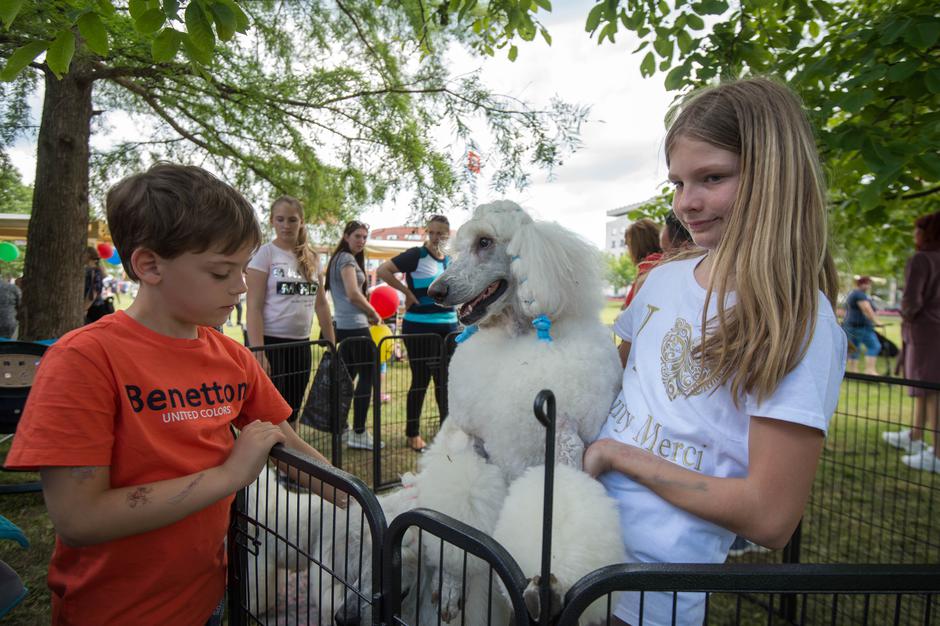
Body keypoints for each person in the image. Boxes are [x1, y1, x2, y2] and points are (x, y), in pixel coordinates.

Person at [4, 163, 336, 626]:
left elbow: (286, 442)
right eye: (221, 272)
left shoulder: (231, 357)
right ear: (149, 265)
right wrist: (229, 475)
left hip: (207, 598)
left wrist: (367, 505)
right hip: (115, 612)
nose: (241, 287)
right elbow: (79, 518)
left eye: (242, 269)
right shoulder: (84, 359)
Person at [583, 78, 846, 626]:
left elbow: (771, 517)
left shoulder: (799, 323)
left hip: (647, 592)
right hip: (567, 545)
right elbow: (616, 393)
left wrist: (616, 455)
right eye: (678, 182)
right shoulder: (662, 282)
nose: (685, 203)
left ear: (774, 177)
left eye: (713, 178)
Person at [246, 196, 335, 424]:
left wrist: (332, 342)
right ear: (272, 221)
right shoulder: (265, 254)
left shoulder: (313, 258)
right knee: (270, 413)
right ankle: (267, 459)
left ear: (302, 222)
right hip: (270, 343)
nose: (286, 225)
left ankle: (289, 459)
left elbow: (321, 304)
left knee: (292, 408)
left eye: (292, 220)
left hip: (300, 344)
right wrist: (258, 350)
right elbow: (253, 305)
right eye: (281, 219)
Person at [376, 215, 458, 452]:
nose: (435, 237)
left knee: (445, 382)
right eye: (431, 232)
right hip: (420, 328)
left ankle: (446, 435)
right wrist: (406, 293)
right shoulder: (416, 255)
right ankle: (413, 434)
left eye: (440, 233)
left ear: (447, 235)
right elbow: (383, 270)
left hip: (450, 328)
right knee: (422, 380)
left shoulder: (452, 260)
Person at [882, 210, 940, 473]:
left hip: (926, 333)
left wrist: (907, 313)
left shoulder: (921, 260)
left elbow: (912, 302)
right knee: (925, 388)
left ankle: (936, 454)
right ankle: (916, 436)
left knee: (929, 390)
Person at [325, 220, 383, 450]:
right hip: (355, 328)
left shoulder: (338, 258)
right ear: (346, 236)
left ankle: (341, 429)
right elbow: (353, 294)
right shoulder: (347, 259)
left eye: (364, 237)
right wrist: (374, 313)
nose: (361, 241)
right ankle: (358, 433)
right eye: (357, 236)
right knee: (367, 379)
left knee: (346, 381)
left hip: (344, 326)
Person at [621, 218, 664, 309]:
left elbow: (634, 311)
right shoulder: (666, 260)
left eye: (628, 244)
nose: (628, 250)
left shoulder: (649, 265)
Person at [842, 276, 881, 375]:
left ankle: (853, 372)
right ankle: (870, 371)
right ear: (860, 284)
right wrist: (877, 322)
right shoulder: (860, 295)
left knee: (854, 349)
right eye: (866, 283)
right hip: (861, 327)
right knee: (874, 346)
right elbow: (866, 309)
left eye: (869, 284)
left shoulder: (852, 294)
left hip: (850, 325)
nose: (868, 286)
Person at [83, 246, 111, 324]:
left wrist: (84, 309)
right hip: (95, 308)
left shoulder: (92, 271)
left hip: (93, 309)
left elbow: (93, 293)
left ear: (88, 255)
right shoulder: (95, 270)